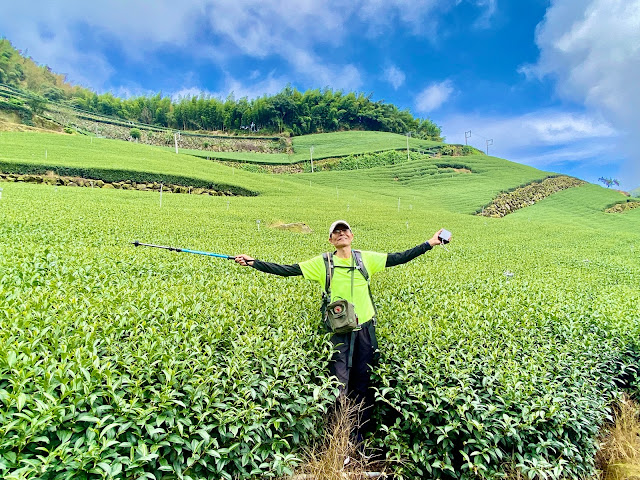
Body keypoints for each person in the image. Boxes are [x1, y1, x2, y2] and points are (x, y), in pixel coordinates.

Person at [235, 220, 450, 441]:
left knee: (362, 383)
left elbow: (400, 257)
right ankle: (337, 434)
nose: (341, 234)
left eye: (344, 230)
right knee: (338, 384)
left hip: (365, 331)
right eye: (335, 232)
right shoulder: (323, 263)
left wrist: (430, 243)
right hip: (338, 333)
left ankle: (356, 436)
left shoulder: (365, 259)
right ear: (330, 240)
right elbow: (288, 270)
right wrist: (254, 262)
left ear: (352, 235)